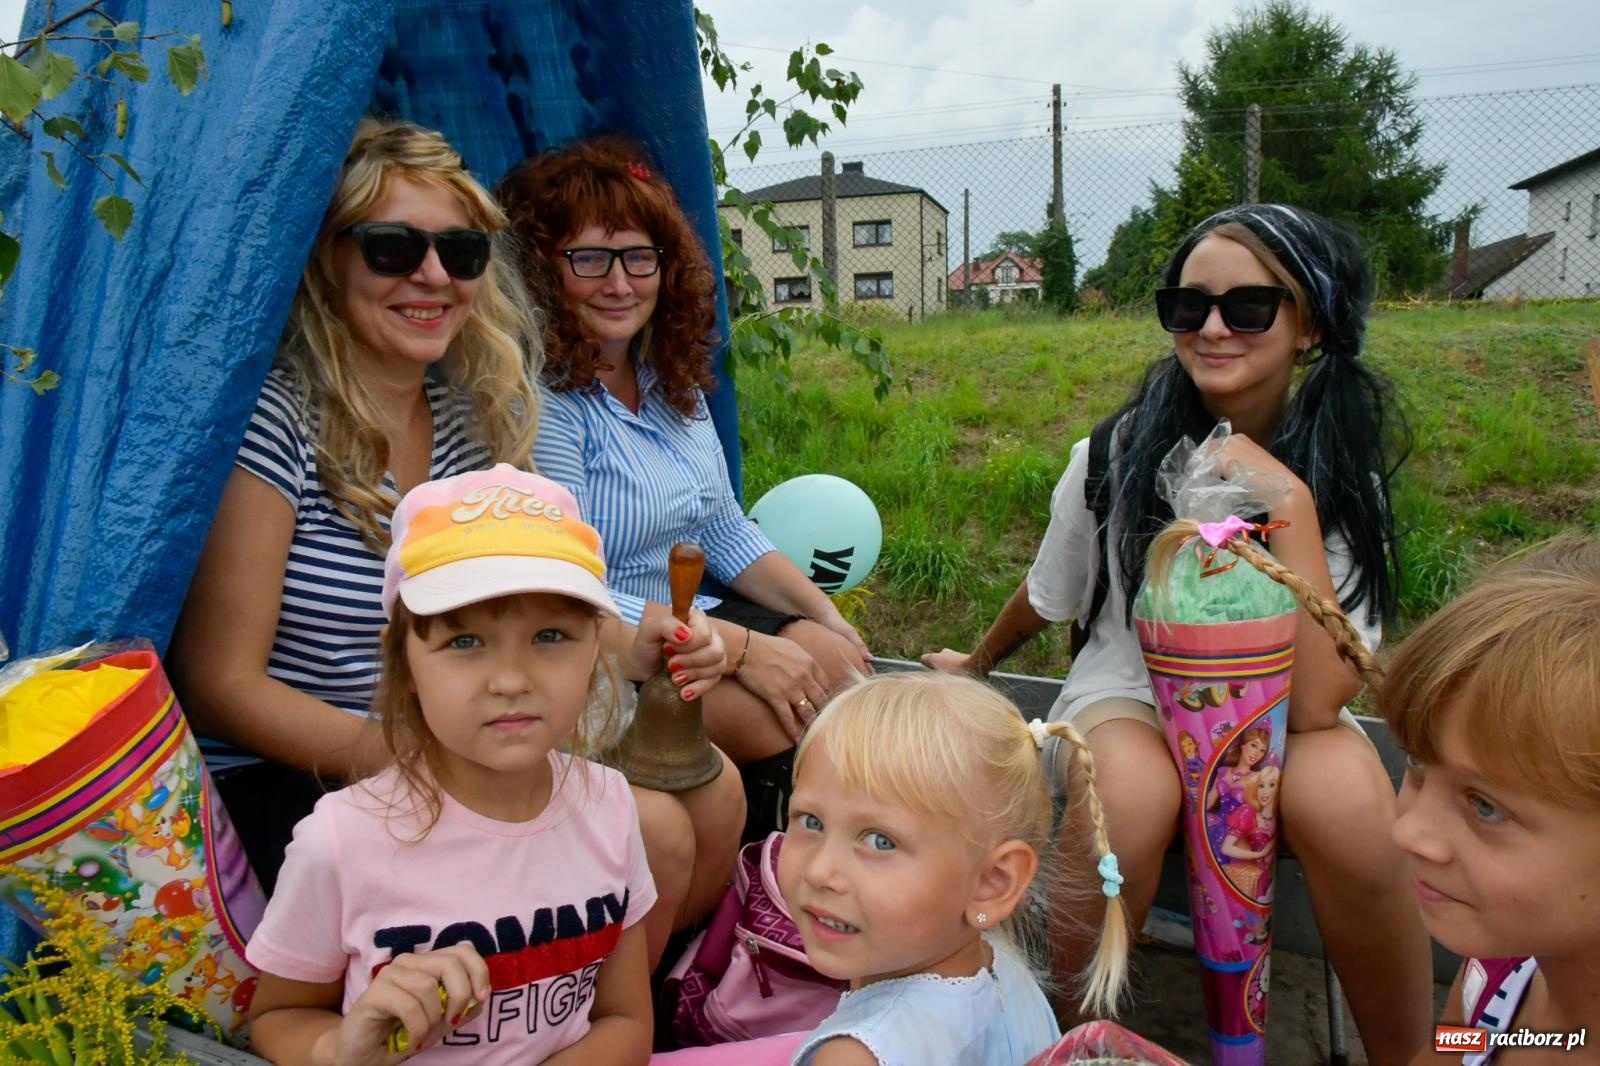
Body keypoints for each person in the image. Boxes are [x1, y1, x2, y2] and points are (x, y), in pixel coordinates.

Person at [170, 119, 734, 968]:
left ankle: (594, 1024)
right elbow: (218, 685)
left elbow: (521, 612)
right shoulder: (278, 422)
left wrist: (635, 642)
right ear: (330, 261)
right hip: (303, 772)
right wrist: (410, 757)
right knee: (648, 829)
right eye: (394, 248)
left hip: (451, 740)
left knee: (677, 812)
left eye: (462, 252)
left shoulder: (469, 420)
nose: (433, 276)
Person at [924, 203, 1432, 1060]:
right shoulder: (1117, 453)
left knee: (1347, 805)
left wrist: (1289, 502)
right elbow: (1052, 591)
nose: (1214, 328)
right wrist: (974, 662)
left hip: (1278, 707)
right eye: (1188, 306)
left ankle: (1416, 1050)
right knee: (1127, 794)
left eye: (1250, 307)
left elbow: (1314, 702)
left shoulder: (1339, 479)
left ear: (1308, 325)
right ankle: (1050, 1038)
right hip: (1131, 687)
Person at [498, 136, 870, 839]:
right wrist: (746, 650)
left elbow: (725, 529)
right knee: (785, 720)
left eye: (640, 257)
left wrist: (825, 616)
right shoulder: (545, 405)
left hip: (698, 615)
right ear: (544, 271)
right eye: (589, 258)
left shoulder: (670, 385)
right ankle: (771, 887)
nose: (620, 283)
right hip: (612, 647)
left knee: (839, 669)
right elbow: (561, 588)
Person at [247, 465, 676, 1065]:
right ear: (406, 665)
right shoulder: (339, 843)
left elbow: (625, 1019)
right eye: (464, 642)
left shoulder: (610, 806)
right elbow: (276, 1016)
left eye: (550, 635)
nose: (510, 680)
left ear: (594, 649)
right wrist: (335, 1051)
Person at [776, 671, 1131, 1066]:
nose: (819, 872)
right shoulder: (1001, 967)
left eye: (880, 841)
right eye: (810, 821)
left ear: (992, 883)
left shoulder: (854, 1056)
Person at [1379, 537, 1600, 1064]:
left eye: (1485, 806)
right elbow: (1451, 1047)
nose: (1405, 833)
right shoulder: (1498, 977)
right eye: (1416, 763)